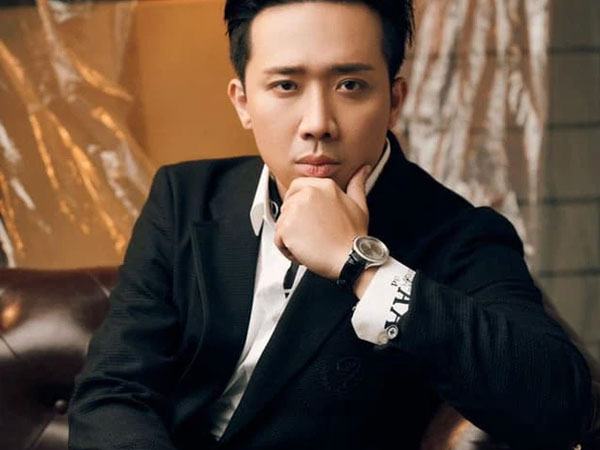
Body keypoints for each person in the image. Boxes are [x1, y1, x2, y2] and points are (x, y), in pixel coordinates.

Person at [68, 0, 594, 449]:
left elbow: (560, 406)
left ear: (395, 101)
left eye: (350, 85)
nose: (318, 123)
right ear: (243, 102)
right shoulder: (184, 197)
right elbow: (115, 388)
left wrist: (360, 265)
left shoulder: (460, 235)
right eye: (285, 85)